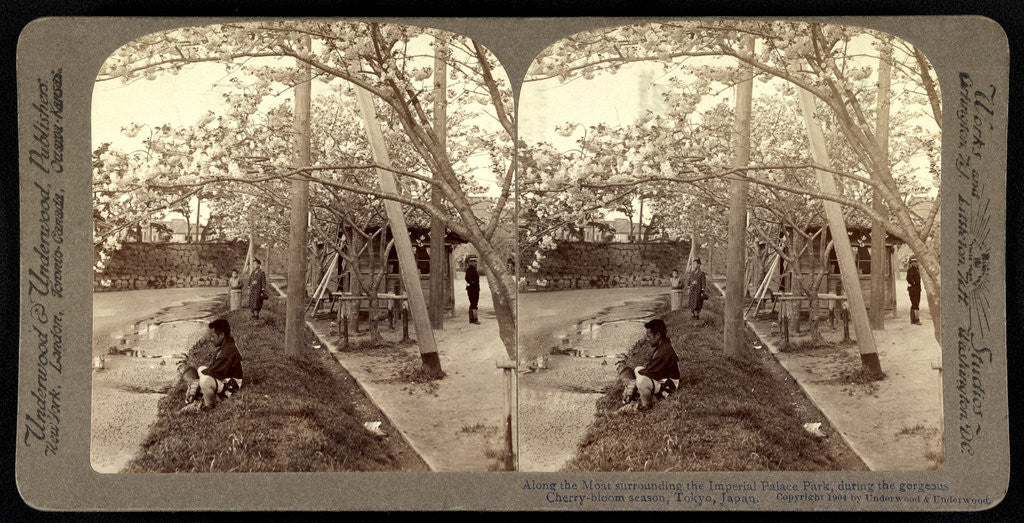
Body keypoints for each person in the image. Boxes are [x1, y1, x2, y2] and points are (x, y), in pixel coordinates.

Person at [181, 318, 243, 413]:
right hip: (225, 376)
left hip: (231, 385)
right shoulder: (226, 344)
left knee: (204, 381)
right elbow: (215, 369)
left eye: (213, 336)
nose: (211, 339)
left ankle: (208, 405)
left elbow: (215, 372)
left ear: (221, 335)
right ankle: (203, 392)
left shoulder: (227, 351)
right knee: (201, 369)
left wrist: (198, 381)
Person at [620, 319, 680, 411]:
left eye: (649, 336)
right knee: (638, 369)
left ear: (658, 335)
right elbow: (650, 369)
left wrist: (635, 381)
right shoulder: (663, 345)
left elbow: (649, 373)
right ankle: (637, 392)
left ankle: (646, 405)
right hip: (663, 378)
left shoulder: (664, 351)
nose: (647, 339)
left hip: (669, 386)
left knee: (641, 381)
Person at [465, 255, 481, 324]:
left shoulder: (473, 269)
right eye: (472, 261)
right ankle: (475, 319)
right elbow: (467, 278)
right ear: (469, 262)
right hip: (472, 289)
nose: (475, 262)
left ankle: (471, 319)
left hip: (474, 289)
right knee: (474, 304)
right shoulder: (470, 269)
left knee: (473, 303)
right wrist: (473, 283)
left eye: (475, 261)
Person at [907, 255, 922, 325]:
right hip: (913, 289)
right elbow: (908, 279)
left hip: (917, 289)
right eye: (914, 262)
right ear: (911, 263)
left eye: (916, 262)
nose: (915, 263)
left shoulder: (917, 269)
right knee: (915, 304)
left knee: (915, 304)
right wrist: (914, 283)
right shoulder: (910, 270)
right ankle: (916, 320)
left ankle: (913, 320)